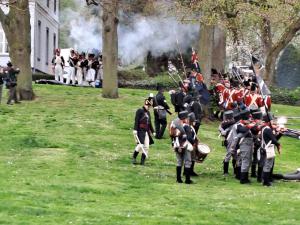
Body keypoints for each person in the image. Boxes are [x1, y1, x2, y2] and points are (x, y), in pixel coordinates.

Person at [169, 110, 193, 184]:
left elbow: (172, 135)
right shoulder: (186, 126)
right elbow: (189, 138)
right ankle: (187, 180)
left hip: (177, 145)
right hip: (185, 145)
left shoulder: (174, 125)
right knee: (188, 162)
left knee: (179, 162)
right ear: (184, 118)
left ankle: (178, 179)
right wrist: (193, 142)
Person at [259, 113, 282, 186]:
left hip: (265, 148)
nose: (273, 122)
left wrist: (280, 132)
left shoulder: (265, 128)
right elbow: (274, 140)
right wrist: (278, 144)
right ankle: (266, 182)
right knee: (267, 166)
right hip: (267, 149)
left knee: (267, 165)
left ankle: (265, 180)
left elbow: (273, 138)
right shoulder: (268, 129)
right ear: (268, 121)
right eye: (271, 121)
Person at [132, 96, 155, 165]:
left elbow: (149, 123)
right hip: (140, 130)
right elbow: (136, 120)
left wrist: (153, 131)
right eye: (148, 106)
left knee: (146, 147)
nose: (149, 107)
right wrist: (135, 129)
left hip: (146, 131)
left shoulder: (148, 113)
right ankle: (134, 157)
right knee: (140, 145)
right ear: (145, 104)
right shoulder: (139, 111)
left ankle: (142, 161)